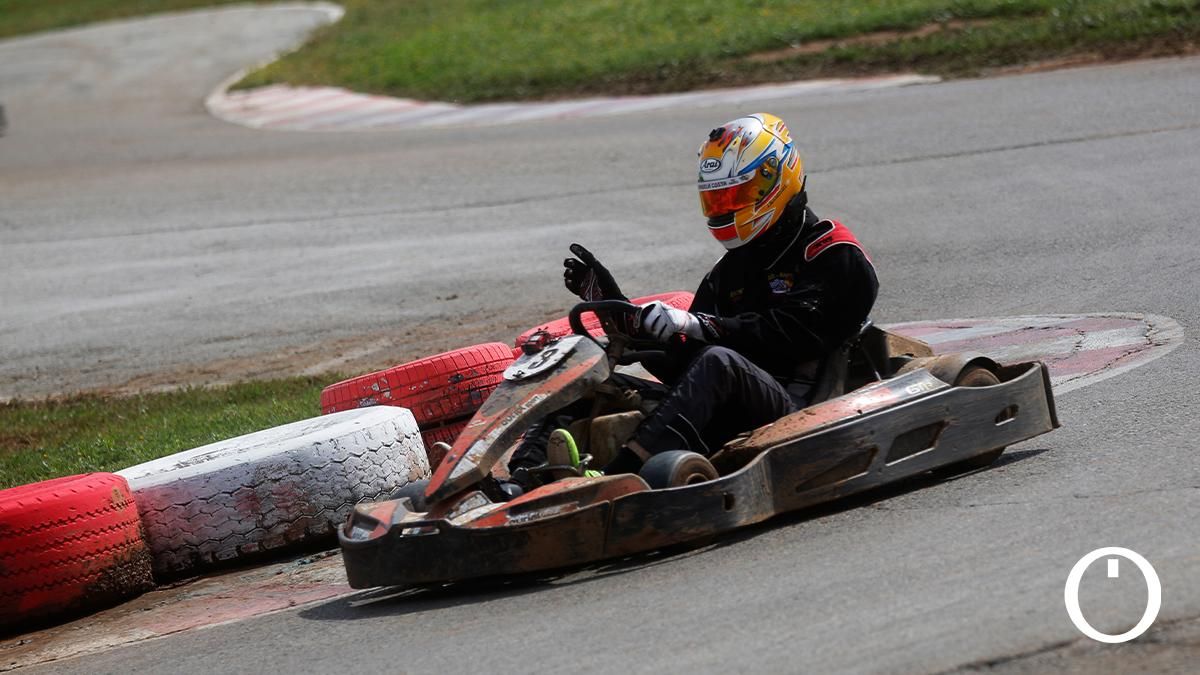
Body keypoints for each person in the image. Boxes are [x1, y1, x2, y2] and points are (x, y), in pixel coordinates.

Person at [510, 112, 878, 480]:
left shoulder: (832, 253)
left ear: (776, 179)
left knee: (719, 360)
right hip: (727, 405)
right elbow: (685, 368)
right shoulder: (731, 269)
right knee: (581, 384)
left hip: (797, 410)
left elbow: (793, 335)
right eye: (718, 199)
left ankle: (618, 478)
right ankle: (522, 478)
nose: (727, 208)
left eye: (736, 195)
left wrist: (699, 324)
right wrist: (624, 317)